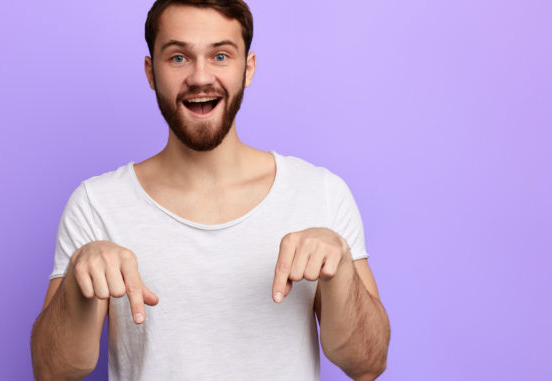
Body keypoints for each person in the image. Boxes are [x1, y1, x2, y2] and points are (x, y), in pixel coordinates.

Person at [30, 0, 391, 380]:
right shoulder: (96, 204)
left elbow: (368, 363)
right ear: (151, 72)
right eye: (179, 58)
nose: (201, 77)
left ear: (247, 68)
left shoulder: (321, 194)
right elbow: (52, 372)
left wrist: (340, 269)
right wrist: (78, 278)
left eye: (220, 55)